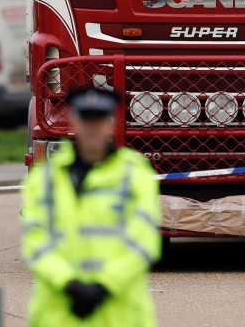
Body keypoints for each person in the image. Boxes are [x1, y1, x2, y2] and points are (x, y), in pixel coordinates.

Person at [21, 87, 162, 326]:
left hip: (118, 315)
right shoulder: (45, 179)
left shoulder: (134, 174)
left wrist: (106, 284)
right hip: (60, 316)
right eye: (86, 119)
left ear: (111, 123)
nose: (92, 127)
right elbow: (36, 241)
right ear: (75, 121)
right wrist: (68, 283)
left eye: (99, 119)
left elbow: (144, 242)